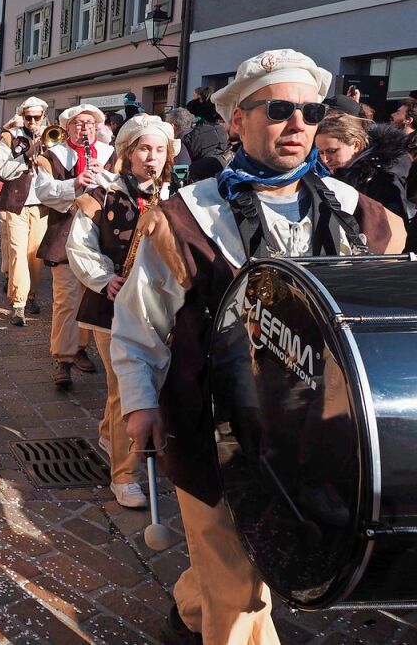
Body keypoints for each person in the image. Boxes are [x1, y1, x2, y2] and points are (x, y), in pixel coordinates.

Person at [112, 49, 406, 645]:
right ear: (237, 121)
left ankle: (193, 606)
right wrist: (140, 404)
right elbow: (140, 322)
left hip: (318, 435)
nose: (298, 124)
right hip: (215, 432)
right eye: (278, 110)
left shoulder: (362, 216)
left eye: (309, 111)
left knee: (232, 567)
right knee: (243, 597)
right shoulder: (185, 219)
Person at [67, 115, 177, 509]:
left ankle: (110, 436)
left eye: (160, 150)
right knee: (123, 390)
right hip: (111, 306)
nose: (152, 157)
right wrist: (104, 278)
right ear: (128, 153)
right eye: (145, 149)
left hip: (161, 305)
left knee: (141, 385)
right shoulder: (103, 194)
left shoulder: (178, 194)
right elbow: (80, 245)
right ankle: (125, 474)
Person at [33, 104, 113, 385]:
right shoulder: (51, 156)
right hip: (65, 236)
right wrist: (75, 184)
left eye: (90, 124)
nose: (85, 129)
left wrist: (104, 176)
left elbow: (121, 189)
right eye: (78, 124)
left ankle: (80, 349)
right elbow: (43, 192)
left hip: (100, 238)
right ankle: (63, 359)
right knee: (66, 301)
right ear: (67, 128)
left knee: (91, 297)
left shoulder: (108, 154)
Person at [0, 98, 49, 326]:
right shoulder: (9, 138)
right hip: (15, 203)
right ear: (22, 117)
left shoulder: (52, 136)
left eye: (37, 117)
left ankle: (32, 295)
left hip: (42, 204)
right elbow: (3, 170)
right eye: (28, 117)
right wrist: (27, 155)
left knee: (35, 255)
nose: (33, 122)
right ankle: (18, 303)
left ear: (44, 116)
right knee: (17, 251)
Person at [317, 116, 414, 222]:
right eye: (321, 152)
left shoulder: (383, 177)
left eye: (332, 151)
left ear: (356, 145)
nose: (325, 159)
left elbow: (393, 226)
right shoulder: (342, 174)